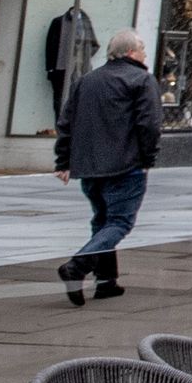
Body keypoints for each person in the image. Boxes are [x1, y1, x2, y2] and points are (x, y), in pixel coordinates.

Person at [52, 33, 162, 305]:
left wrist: (63, 161)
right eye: (142, 49)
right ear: (131, 52)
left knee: (102, 222)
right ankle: (77, 266)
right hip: (125, 165)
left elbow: (66, 122)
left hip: (90, 167)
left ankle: (106, 281)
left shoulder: (87, 80)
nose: (145, 54)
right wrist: (147, 159)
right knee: (119, 222)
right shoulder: (141, 80)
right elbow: (149, 124)